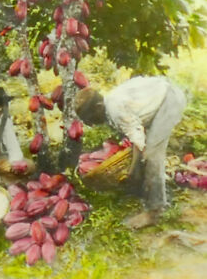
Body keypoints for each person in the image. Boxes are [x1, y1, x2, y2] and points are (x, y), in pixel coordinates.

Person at [75, 76, 186, 229]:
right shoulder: (108, 109)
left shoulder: (116, 109)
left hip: (168, 101)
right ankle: (140, 189)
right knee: (143, 153)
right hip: (157, 98)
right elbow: (130, 133)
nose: (91, 124)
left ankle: (154, 211)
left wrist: (131, 169)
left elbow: (139, 142)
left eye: (90, 118)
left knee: (152, 155)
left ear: (98, 106)